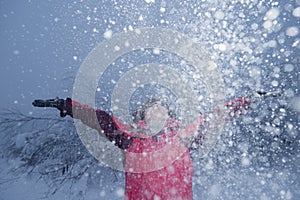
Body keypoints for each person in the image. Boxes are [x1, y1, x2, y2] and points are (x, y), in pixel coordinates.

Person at [33, 95, 251, 199]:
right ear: (142, 116)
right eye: (152, 109)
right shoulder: (128, 135)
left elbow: (214, 117)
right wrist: (67, 105)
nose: (157, 112)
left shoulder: (183, 135)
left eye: (162, 109)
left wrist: (246, 101)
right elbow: (97, 118)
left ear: (169, 115)